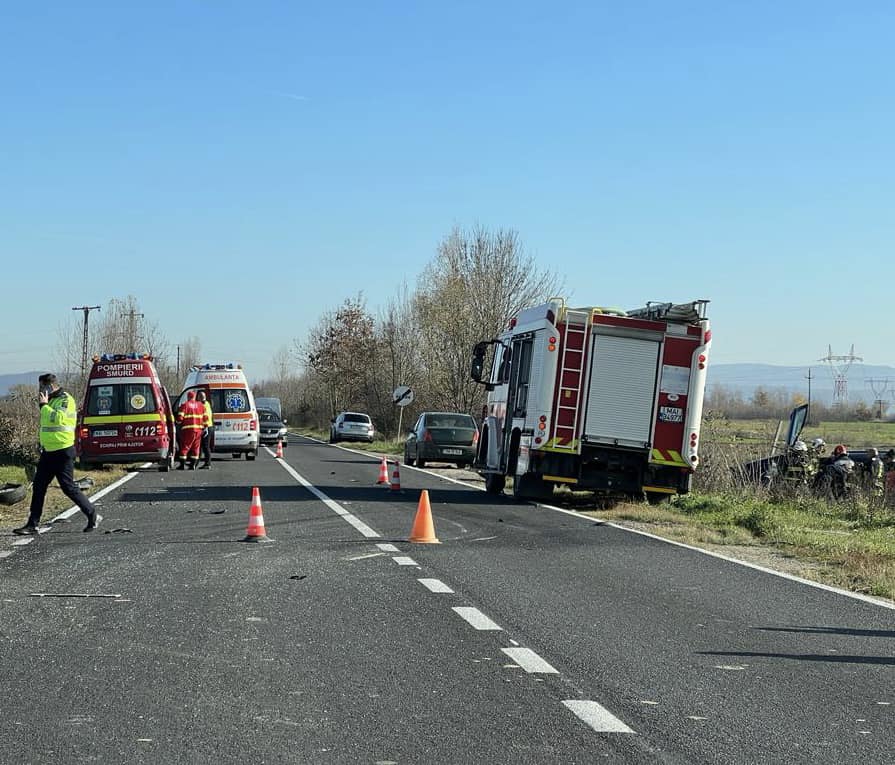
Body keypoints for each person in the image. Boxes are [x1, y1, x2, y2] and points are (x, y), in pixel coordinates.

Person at [13, 373, 101, 535]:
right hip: (49, 451)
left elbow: (58, 419)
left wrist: (44, 406)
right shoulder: (52, 400)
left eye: (42, 387)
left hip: (63, 451)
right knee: (39, 486)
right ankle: (33, 524)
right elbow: (47, 425)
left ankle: (92, 514)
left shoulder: (65, 400)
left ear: (50, 386)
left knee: (68, 487)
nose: (40, 390)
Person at [176, 390, 205, 469]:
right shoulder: (200, 405)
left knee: (185, 447)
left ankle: (182, 465)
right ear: (195, 397)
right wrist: (204, 427)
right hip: (199, 430)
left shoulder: (185, 405)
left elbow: (180, 418)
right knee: (196, 448)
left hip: (187, 430)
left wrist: (177, 422)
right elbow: (205, 418)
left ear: (188, 397)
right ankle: (193, 465)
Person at [197, 390, 214, 469]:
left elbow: (205, 417)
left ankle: (207, 464)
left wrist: (205, 427)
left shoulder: (203, 405)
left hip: (206, 427)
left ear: (200, 397)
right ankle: (199, 462)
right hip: (208, 426)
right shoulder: (207, 403)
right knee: (203, 446)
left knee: (205, 446)